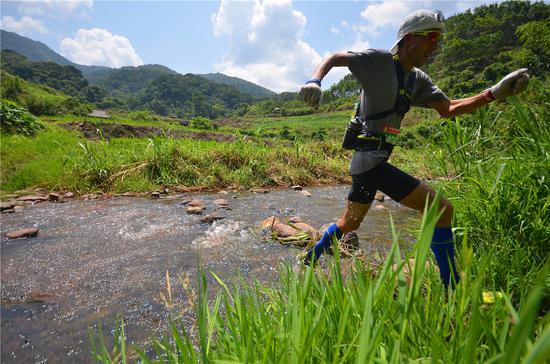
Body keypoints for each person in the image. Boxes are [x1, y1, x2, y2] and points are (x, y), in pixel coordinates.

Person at [299, 9, 530, 288]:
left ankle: (309, 259)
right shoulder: (379, 61)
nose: (436, 47)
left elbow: (449, 108)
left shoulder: (417, 80)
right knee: (442, 210)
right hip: (371, 162)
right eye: (432, 38)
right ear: (409, 39)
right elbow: (336, 58)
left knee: (350, 224)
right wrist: (315, 79)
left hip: (367, 165)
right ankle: (451, 286)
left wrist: (493, 92)